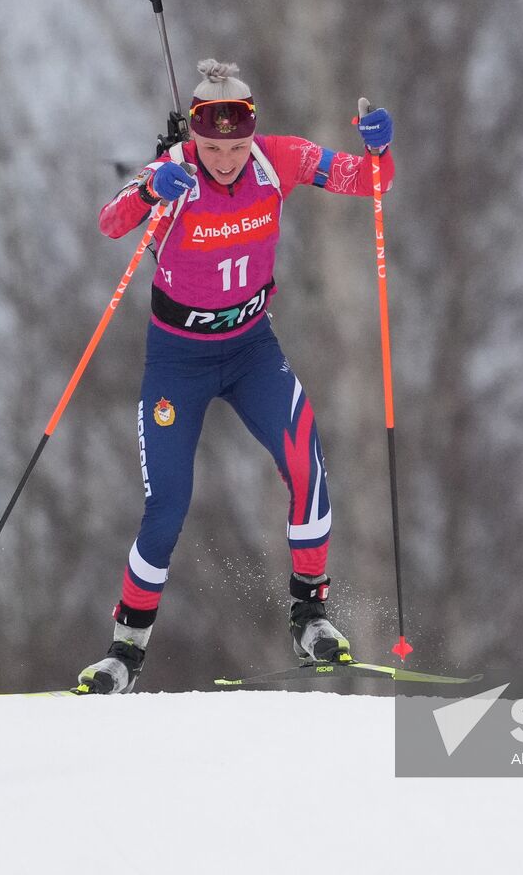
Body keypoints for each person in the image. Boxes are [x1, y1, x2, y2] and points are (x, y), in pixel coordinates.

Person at [79, 59, 395, 693]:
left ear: (253, 136)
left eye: (236, 147)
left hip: (251, 349)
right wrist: (149, 192)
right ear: (194, 138)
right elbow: (110, 221)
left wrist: (380, 147)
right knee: (166, 508)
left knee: (307, 464)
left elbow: (368, 182)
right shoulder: (175, 173)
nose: (225, 160)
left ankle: (310, 616)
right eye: (212, 148)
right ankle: (124, 652)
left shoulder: (281, 160)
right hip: (178, 361)